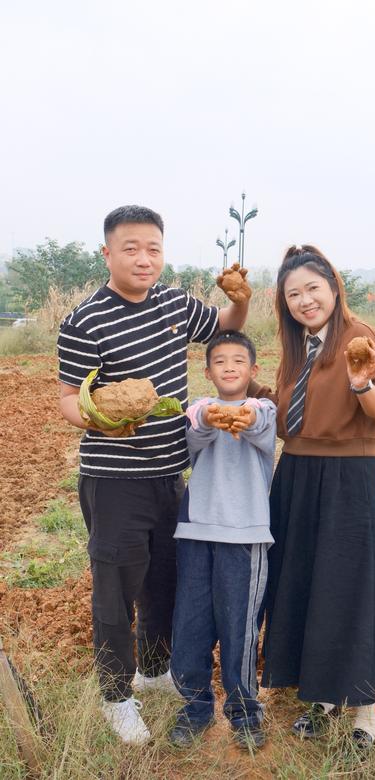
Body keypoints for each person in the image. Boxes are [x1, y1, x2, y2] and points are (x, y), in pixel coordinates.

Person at [57, 205, 252, 744]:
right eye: (131, 249)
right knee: (115, 590)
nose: (144, 259)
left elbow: (225, 326)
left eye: (153, 249)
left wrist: (241, 299)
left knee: (164, 581)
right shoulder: (84, 320)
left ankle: (153, 668)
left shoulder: (175, 304)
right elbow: (68, 399)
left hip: (171, 474)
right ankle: (115, 696)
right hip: (114, 480)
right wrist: (101, 419)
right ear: (107, 254)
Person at [250, 245, 375, 752]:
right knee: (305, 584)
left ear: (334, 288)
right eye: (293, 294)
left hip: (347, 478)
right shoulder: (299, 345)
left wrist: (361, 386)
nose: (304, 301)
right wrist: (244, 385)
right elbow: (291, 413)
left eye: (312, 288)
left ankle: (367, 708)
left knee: (350, 588)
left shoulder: (361, 338)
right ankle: (323, 695)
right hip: (296, 475)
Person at [169, 330, 276, 750]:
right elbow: (196, 428)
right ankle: (195, 708)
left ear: (253, 369)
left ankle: (245, 713)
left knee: (240, 630)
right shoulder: (199, 410)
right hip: (196, 533)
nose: (229, 367)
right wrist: (210, 417)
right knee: (190, 625)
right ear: (207, 371)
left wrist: (243, 416)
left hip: (246, 537)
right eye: (219, 361)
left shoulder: (263, 409)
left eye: (238, 361)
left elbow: (259, 420)